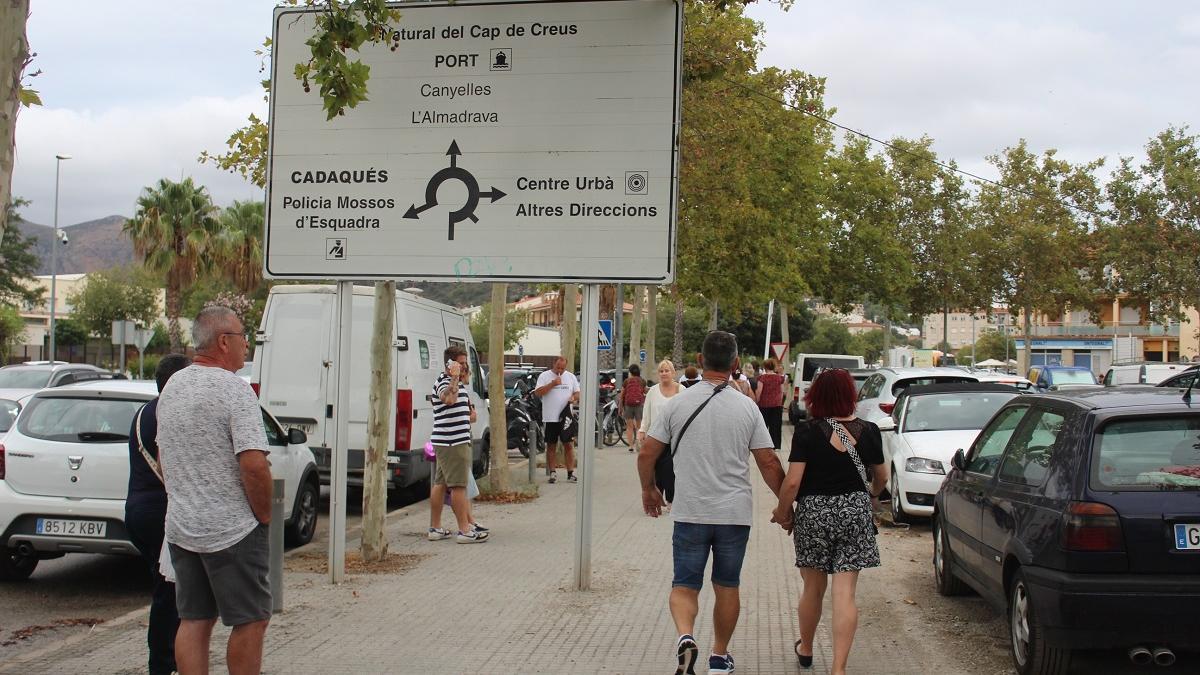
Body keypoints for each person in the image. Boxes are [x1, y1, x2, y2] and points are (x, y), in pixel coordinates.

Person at [637, 331, 786, 675]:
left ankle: (685, 635)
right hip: (734, 515)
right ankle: (719, 657)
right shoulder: (746, 407)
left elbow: (646, 453)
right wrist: (786, 506)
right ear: (736, 364)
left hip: (690, 511)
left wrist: (649, 490)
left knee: (684, 584)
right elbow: (768, 462)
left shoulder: (677, 404)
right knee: (727, 585)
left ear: (700, 361)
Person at [157, 307, 273, 675]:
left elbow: (162, 456)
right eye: (242, 337)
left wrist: (182, 497)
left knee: (194, 619)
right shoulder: (235, 390)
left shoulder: (173, 386)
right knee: (251, 619)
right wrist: (264, 515)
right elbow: (253, 464)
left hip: (181, 527)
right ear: (224, 341)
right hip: (232, 530)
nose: (246, 345)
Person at [771, 368, 888, 675]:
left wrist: (783, 512)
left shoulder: (807, 431)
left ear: (816, 396)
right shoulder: (869, 430)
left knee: (812, 587)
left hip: (814, 513)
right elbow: (882, 477)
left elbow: (792, 482)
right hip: (855, 512)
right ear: (850, 395)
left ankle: (807, 649)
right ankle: (838, 668)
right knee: (845, 593)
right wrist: (871, 495)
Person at [125, 353, 191, 675]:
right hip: (160, 513)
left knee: (166, 589)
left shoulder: (144, 411)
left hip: (137, 511)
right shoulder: (172, 412)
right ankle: (163, 664)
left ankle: (168, 659)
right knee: (168, 592)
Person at [427, 345, 488, 543]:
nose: (464, 367)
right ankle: (464, 530)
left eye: (465, 363)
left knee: (441, 484)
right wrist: (454, 378)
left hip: (451, 440)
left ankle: (435, 528)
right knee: (459, 486)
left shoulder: (458, 383)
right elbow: (449, 400)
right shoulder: (444, 382)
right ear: (450, 364)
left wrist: (468, 416)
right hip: (452, 442)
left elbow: (454, 409)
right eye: (461, 363)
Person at [534, 356, 581, 483]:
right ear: (553, 364)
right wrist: (553, 384)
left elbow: (577, 393)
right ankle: (552, 472)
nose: (560, 370)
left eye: (562, 368)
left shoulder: (571, 377)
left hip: (566, 417)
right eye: (558, 367)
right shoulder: (544, 376)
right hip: (551, 417)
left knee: (568, 445)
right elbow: (538, 392)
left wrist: (573, 398)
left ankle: (570, 473)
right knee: (551, 445)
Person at [636, 359, 681, 452]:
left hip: (676, 438)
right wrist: (642, 430)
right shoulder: (652, 391)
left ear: (673, 373)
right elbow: (646, 414)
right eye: (661, 371)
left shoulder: (681, 390)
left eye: (667, 371)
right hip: (655, 438)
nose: (664, 373)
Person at [755, 358, 786, 450]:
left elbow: (759, 391)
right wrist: (780, 402)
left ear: (765, 367)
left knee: (763, 426)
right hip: (777, 405)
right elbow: (782, 392)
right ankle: (775, 445)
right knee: (776, 426)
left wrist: (757, 401)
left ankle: (763, 444)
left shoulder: (762, 378)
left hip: (764, 405)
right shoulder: (780, 378)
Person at [619, 363, 647, 452]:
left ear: (630, 372)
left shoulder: (626, 381)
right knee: (639, 426)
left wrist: (620, 407)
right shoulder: (642, 381)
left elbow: (622, 395)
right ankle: (639, 444)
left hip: (628, 405)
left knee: (629, 427)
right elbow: (645, 391)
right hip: (639, 405)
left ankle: (630, 446)